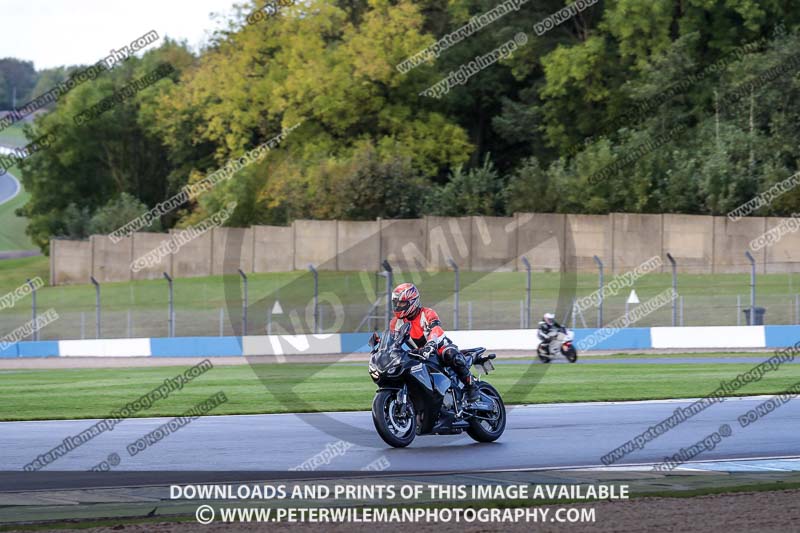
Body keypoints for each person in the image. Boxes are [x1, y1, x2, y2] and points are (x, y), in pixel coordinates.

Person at [389, 282, 480, 403]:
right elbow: (393, 342)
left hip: (439, 347)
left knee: (451, 354)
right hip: (419, 354)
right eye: (396, 303)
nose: (398, 306)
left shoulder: (427, 313)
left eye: (402, 303)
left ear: (412, 302)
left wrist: (431, 344)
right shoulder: (395, 323)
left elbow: (436, 329)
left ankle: (471, 386)